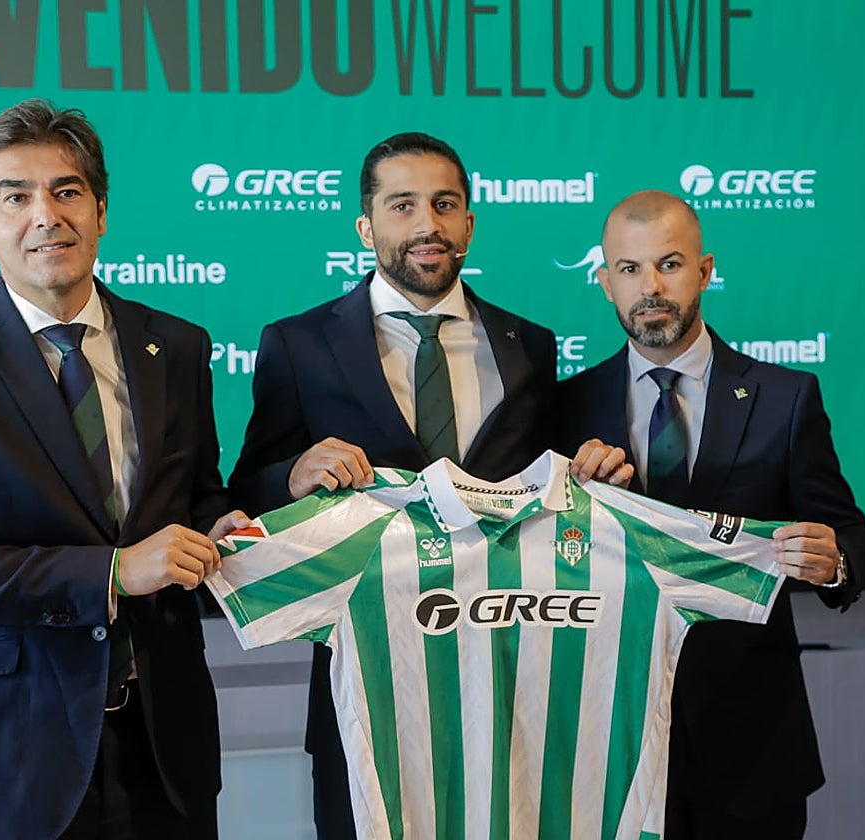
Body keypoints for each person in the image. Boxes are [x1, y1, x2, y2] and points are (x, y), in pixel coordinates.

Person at [0, 99, 246, 840]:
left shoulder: (178, 345)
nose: (47, 215)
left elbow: (194, 495)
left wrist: (219, 525)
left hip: (165, 755)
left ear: (101, 209)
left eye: (68, 191)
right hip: (4, 758)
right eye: (16, 195)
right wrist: (109, 572)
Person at [228, 131, 627, 837]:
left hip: (512, 683)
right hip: (368, 689)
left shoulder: (528, 346)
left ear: (469, 223)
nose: (427, 225)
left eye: (445, 205)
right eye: (403, 204)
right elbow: (244, 496)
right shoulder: (297, 344)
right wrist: (290, 476)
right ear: (366, 226)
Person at [556, 189, 865, 839]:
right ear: (604, 283)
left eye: (669, 264)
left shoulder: (786, 398)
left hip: (751, 756)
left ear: (705, 270)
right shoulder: (563, 410)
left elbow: (854, 536)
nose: (650, 286)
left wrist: (837, 560)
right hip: (603, 754)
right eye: (629, 269)